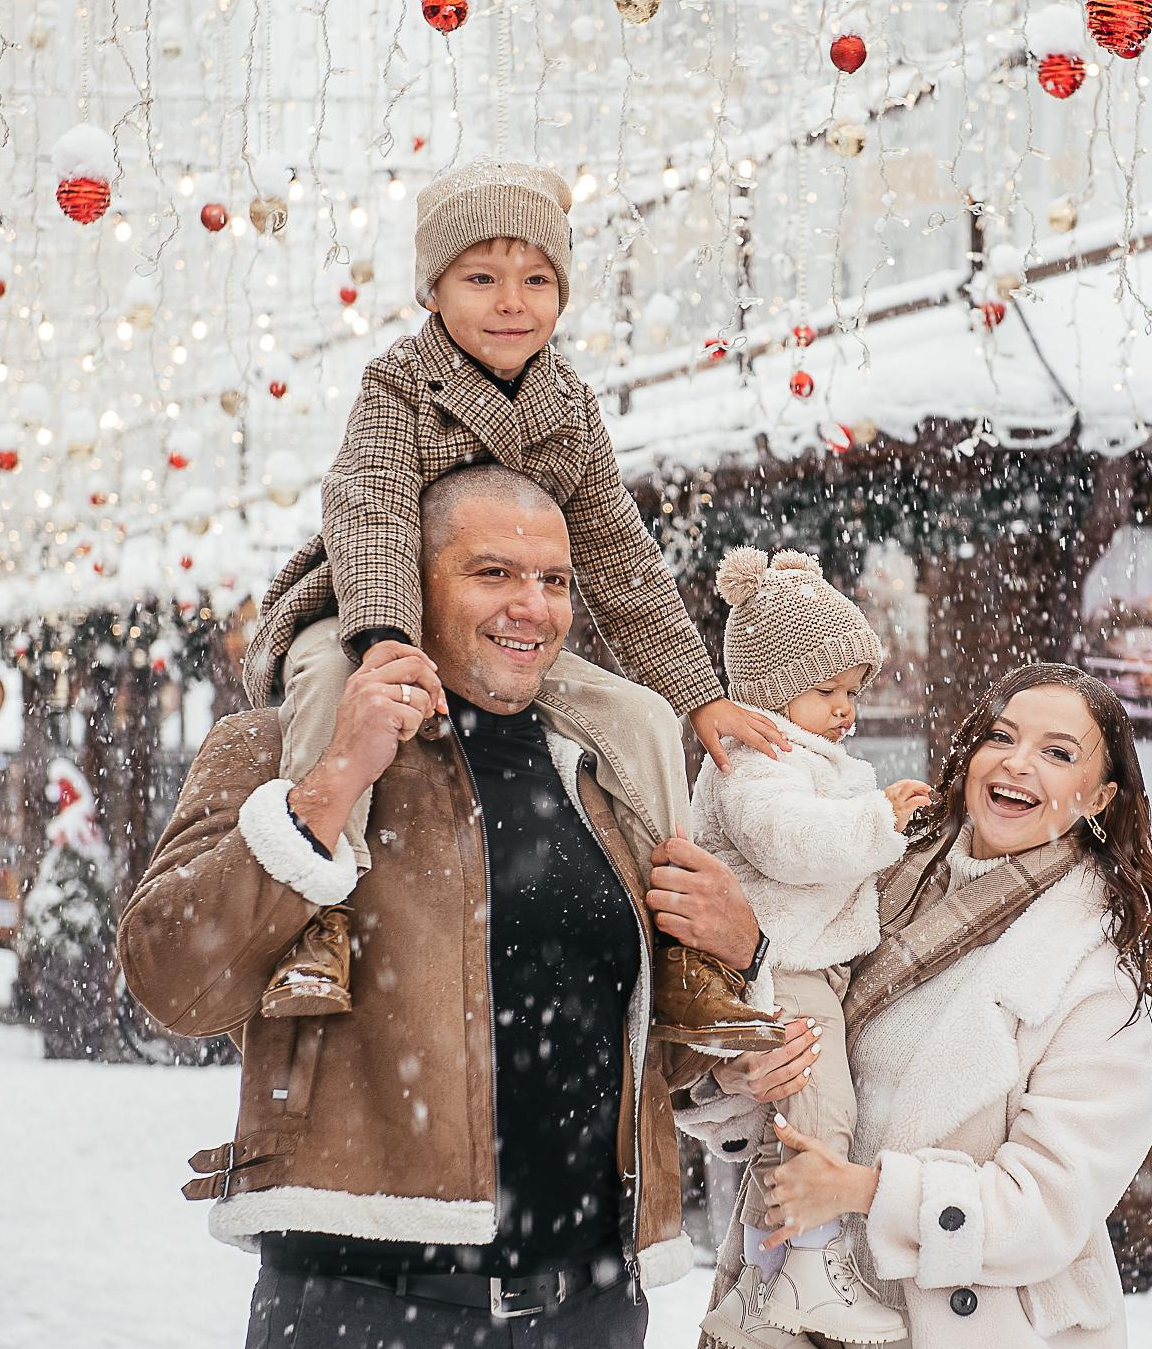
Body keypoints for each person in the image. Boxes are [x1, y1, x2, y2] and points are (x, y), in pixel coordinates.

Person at [119, 465, 775, 1349]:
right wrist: (331, 785)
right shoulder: (282, 745)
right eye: (493, 573)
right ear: (408, 586)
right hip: (368, 1324)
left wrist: (743, 953)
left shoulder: (604, 774)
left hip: (587, 1338)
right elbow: (170, 981)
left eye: (555, 580)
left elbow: (658, 1062)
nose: (533, 607)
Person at [242, 157, 785, 1042]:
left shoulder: (569, 406)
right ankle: (319, 912)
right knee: (333, 688)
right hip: (368, 608)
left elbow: (618, 553)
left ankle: (681, 947)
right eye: (481, 279)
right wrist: (384, 639)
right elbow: (373, 509)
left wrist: (699, 695)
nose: (512, 303)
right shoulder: (398, 386)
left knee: (641, 718)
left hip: (507, 635)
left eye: (537, 280)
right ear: (432, 290)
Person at [677, 663, 1152, 1349]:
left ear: (1100, 798)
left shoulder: (1096, 980)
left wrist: (866, 1191)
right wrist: (740, 1072)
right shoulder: (871, 884)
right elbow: (797, 1074)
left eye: (1058, 753)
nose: (1017, 763)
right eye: (1001, 737)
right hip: (810, 1329)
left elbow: (1047, 1205)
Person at [686, 547, 936, 1349]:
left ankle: (760, 1294)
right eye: (828, 690)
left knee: (783, 1134)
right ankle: (810, 1266)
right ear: (773, 687)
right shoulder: (754, 760)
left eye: (854, 692)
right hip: (780, 966)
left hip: (801, 961)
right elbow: (788, 844)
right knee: (822, 1114)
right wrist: (876, 820)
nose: (846, 709)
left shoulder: (799, 757)